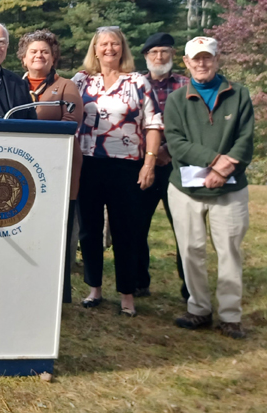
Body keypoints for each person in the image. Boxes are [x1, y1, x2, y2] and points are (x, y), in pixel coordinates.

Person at [164, 37, 253, 339]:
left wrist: (225, 168)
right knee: (190, 249)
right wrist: (215, 161)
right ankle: (198, 308)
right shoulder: (176, 100)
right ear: (186, 63)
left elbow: (245, 138)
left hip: (229, 188)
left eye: (207, 58)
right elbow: (176, 143)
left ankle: (230, 315)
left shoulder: (239, 94)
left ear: (217, 60)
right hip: (186, 188)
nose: (202, 64)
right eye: (195, 59)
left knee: (229, 250)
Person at [72, 26, 162, 317]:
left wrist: (149, 164)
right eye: (103, 44)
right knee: (89, 229)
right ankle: (94, 288)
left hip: (125, 165)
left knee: (125, 229)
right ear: (94, 49)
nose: (109, 49)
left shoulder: (138, 82)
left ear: (122, 48)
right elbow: (69, 119)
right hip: (88, 164)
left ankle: (127, 294)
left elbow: (153, 125)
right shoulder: (81, 81)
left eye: (115, 44)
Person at [16, 30, 84, 303]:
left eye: (45, 51)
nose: (39, 56)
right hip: (22, 167)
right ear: (23, 58)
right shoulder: (13, 84)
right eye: (33, 51)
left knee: (59, 228)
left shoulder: (66, 86)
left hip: (59, 167)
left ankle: (59, 293)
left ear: (54, 56)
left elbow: (70, 122)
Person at [139, 32, 191, 301]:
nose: (159, 57)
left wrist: (167, 150)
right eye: (154, 52)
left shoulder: (185, 84)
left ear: (173, 55)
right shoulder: (135, 83)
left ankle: (190, 288)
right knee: (137, 224)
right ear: (146, 57)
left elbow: (192, 125)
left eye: (165, 52)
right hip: (143, 163)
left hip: (177, 165)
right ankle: (138, 282)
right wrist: (149, 153)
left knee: (184, 226)